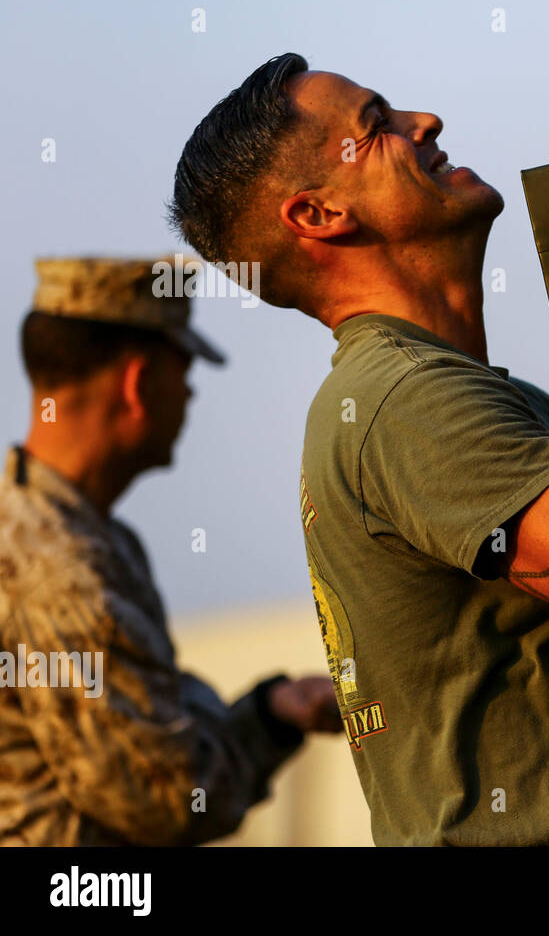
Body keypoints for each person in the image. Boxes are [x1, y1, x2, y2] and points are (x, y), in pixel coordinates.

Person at [168, 54, 549, 845]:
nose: (423, 122)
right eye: (378, 125)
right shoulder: (406, 405)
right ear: (319, 216)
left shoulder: (489, 405)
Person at [0, 257, 342, 846]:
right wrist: (267, 723)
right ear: (137, 383)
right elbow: (166, 794)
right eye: (183, 369)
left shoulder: (65, 530)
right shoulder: (61, 568)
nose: (188, 392)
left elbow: (149, 712)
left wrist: (274, 705)